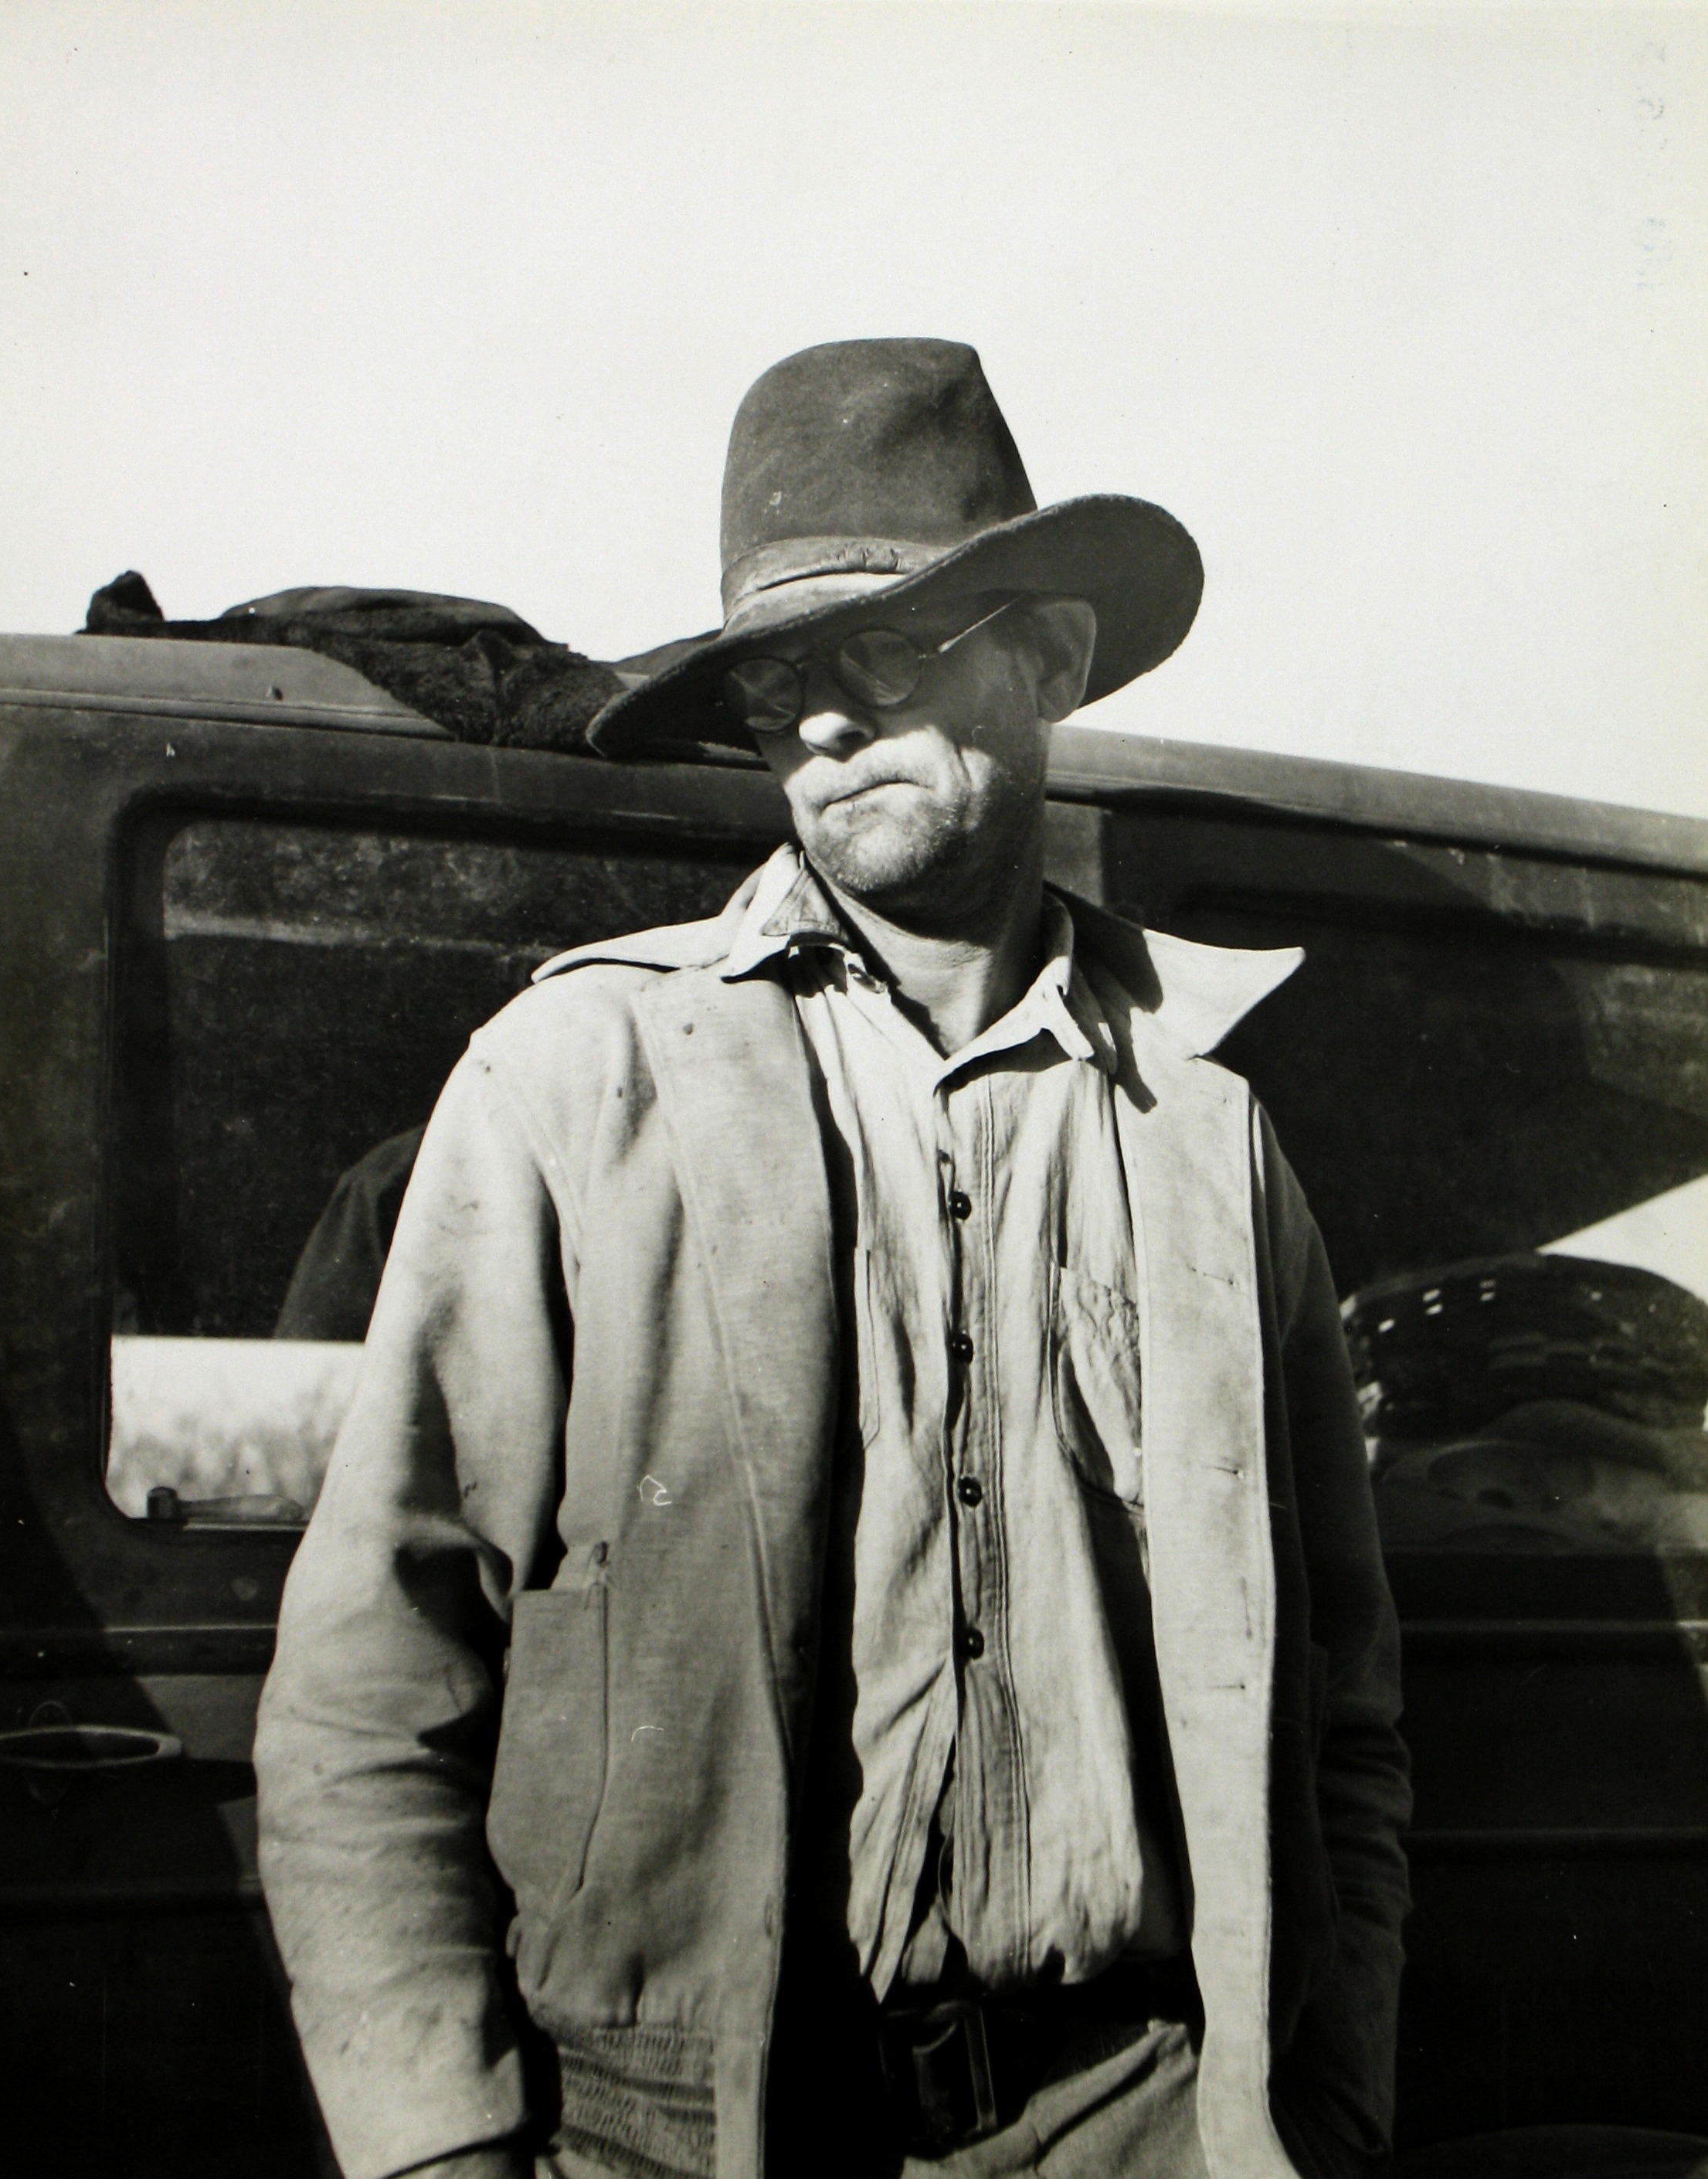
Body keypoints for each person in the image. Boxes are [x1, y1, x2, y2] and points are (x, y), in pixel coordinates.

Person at [254, 339, 1411, 2179]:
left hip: (1143, 2118)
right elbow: (369, 1685)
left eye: (882, 657)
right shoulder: (575, 1081)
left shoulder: (1204, 1132)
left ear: (1047, 660)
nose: (812, 725)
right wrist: (441, 2148)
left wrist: (1315, 2105)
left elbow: (1341, 1698)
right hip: (685, 2135)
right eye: (776, 685)